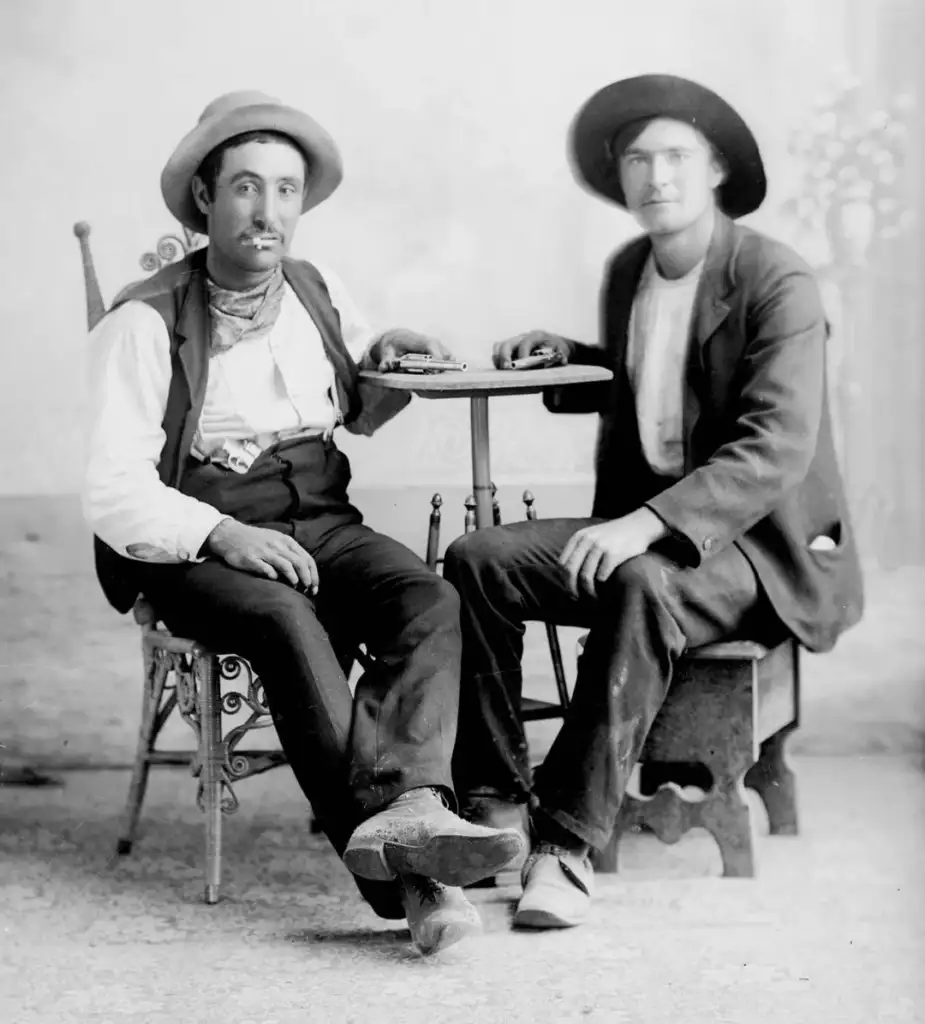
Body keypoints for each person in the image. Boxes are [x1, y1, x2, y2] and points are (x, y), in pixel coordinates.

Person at [82, 90, 525, 956]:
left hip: (319, 513)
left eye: (286, 191)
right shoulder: (144, 320)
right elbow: (110, 490)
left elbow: (360, 402)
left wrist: (396, 351)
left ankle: (406, 812)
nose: (269, 211)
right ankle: (416, 885)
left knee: (426, 598)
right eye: (247, 188)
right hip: (197, 535)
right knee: (285, 619)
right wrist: (219, 534)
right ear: (205, 200)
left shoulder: (315, 292)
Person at [443, 74, 864, 930]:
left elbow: (772, 443)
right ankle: (493, 806)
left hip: (756, 547)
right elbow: (661, 383)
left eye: (676, 156)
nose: (655, 176)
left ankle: (563, 845)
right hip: (649, 531)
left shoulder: (776, 281)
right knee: (475, 562)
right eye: (637, 159)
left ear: (714, 170)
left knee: (639, 580)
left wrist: (650, 522)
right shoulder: (630, 270)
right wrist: (571, 358)